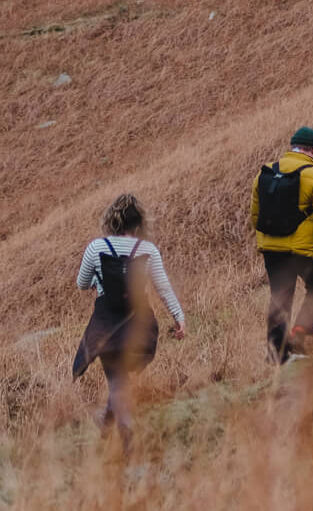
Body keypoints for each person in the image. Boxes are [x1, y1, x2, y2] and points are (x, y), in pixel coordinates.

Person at [73, 192, 185, 448]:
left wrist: (99, 281)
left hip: (105, 326)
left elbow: (81, 284)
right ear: (140, 223)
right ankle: (112, 424)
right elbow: (164, 288)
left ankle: (126, 435)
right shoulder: (148, 250)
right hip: (139, 326)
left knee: (117, 381)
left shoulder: (96, 247)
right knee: (122, 381)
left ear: (111, 220)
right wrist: (179, 317)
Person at [250, 125, 313, 363]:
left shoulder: (264, 173)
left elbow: (256, 215)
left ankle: (277, 356)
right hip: (305, 251)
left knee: (280, 298)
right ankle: (300, 333)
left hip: (273, 251)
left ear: (293, 147)